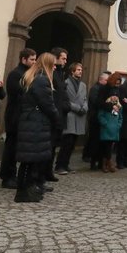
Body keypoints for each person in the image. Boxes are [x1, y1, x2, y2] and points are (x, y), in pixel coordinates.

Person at [14, 52, 61, 202]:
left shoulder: (33, 76)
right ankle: (25, 192)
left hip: (31, 122)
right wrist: (56, 118)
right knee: (31, 160)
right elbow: (47, 104)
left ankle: (26, 190)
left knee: (29, 160)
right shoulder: (42, 80)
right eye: (53, 64)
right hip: (36, 123)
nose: (55, 67)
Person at [0, 48, 35, 189]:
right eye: (32, 59)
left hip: (23, 115)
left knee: (17, 147)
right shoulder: (16, 74)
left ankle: (13, 175)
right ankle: (7, 176)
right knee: (11, 147)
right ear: (23, 59)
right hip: (15, 115)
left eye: (35, 59)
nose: (34, 62)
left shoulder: (27, 73)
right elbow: (19, 94)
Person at [56, 61, 88, 175]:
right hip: (70, 114)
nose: (80, 72)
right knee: (66, 143)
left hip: (79, 116)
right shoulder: (65, 83)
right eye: (78, 70)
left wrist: (84, 107)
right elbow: (65, 100)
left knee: (73, 144)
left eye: (81, 70)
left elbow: (85, 99)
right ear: (72, 71)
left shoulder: (83, 85)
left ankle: (66, 164)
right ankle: (59, 165)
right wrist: (76, 107)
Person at [45, 47, 68, 181]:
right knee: (49, 146)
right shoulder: (51, 74)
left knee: (53, 147)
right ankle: (43, 173)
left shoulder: (60, 73)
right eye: (63, 58)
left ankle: (48, 172)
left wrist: (66, 106)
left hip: (60, 114)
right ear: (56, 58)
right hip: (54, 115)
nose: (65, 61)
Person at [97, 72, 124, 173]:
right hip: (106, 118)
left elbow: (119, 104)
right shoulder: (104, 89)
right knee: (105, 144)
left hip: (114, 120)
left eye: (119, 83)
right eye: (116, 83)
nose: (117, 85)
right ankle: (106, 163)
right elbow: (100, 103)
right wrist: (111, 107)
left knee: (110, 144)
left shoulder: (117, 90)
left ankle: (107, 162)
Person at [84, 70, 109, 170]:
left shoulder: (104, 89)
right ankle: (93, 161)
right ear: (101, 80)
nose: (108, 82)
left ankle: (99, 161)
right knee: (94, 140)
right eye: (107, 80)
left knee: (100, 142)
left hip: (101, 118)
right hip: (95, 117)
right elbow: (96, 102)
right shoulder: (95, 89)